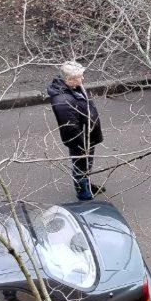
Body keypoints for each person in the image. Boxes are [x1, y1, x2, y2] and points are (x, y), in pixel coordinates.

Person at [47, 61, 104, 201]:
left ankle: (87, 185)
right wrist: (82, 145)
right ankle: (84, 195)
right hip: (80, 140)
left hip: (87, 135)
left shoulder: (74, 88)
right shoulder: (63, 100)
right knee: (80, 166)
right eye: (80, 77)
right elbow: (70, 128)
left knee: (86, 164)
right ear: (69, 79)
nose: (83, 79)